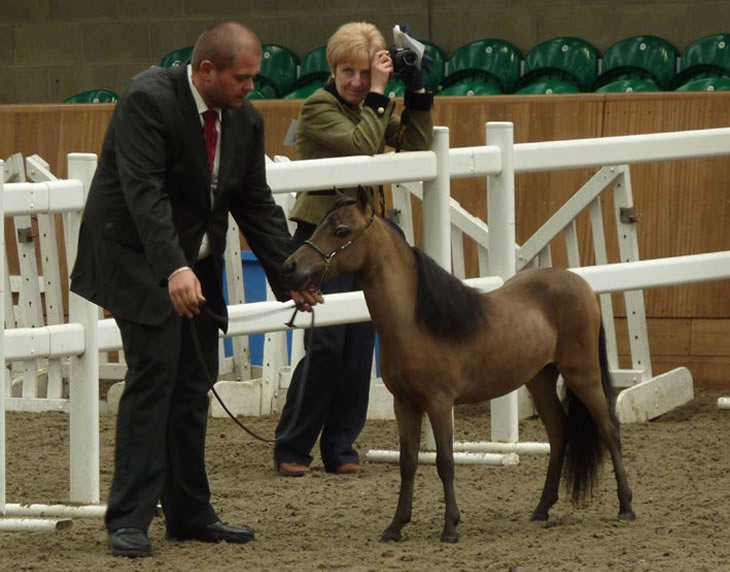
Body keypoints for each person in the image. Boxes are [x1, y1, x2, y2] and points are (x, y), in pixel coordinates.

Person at [70, 21, 322, 558]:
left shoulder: (244, 121)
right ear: (206, 70)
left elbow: (254, 201)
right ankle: (129, 519)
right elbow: (144, 193)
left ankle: (188, 512)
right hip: (137, 257)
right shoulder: (147, 99)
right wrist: (171, 269)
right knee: (155, 378)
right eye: (243, 78)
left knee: (193, 384)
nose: (251, 88)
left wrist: (290, 276)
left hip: (194, 264)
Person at [273, 22, 433, 477]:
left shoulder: (368, 107)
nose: (358, 82)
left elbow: (417, 142)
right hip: (320, 235)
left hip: (360, 239)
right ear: (333, 70)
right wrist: (381, 94)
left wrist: (418, 89)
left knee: (361, 342)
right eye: (350, 72)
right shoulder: (318, 107)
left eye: (366, 73)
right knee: (326, 342)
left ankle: (341, 445)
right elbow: (362, 148)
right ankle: (293, 444)